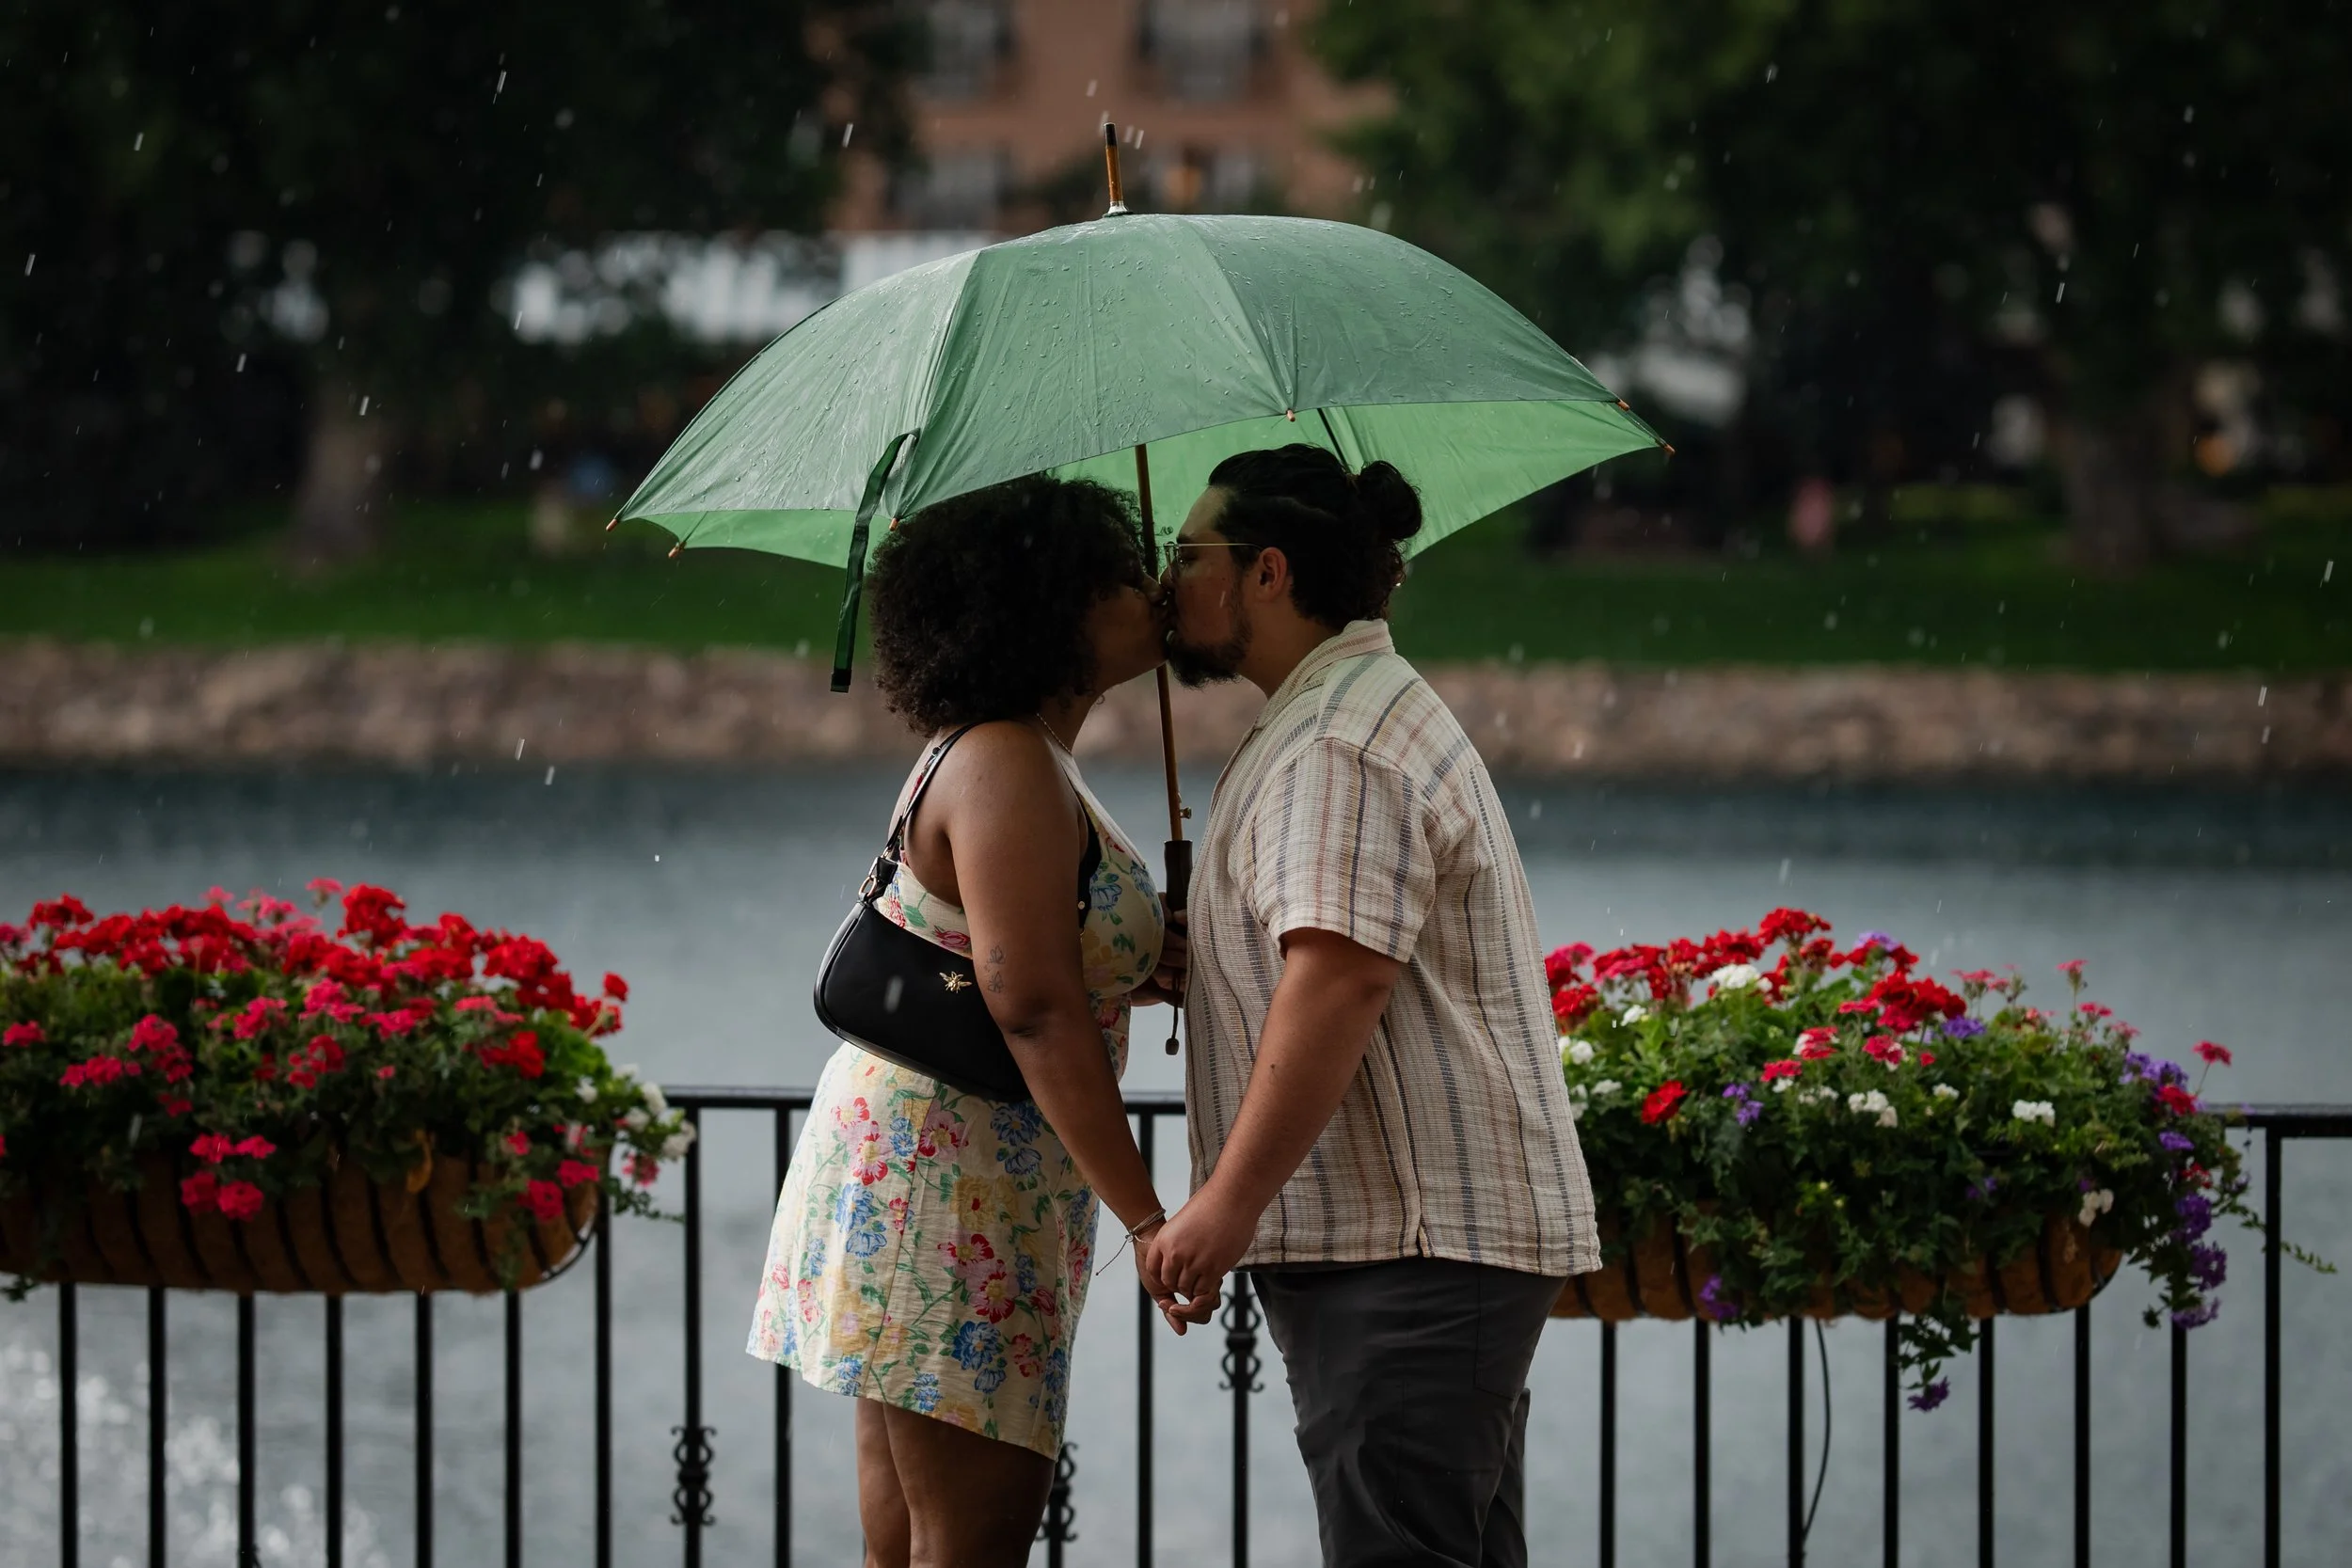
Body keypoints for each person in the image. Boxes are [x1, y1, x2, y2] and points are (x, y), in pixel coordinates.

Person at [1149, 444, 1600, 1568]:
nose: (1168, 581)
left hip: (1408, 1249)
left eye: (1187, 552)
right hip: (1421, 1245)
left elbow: (1342, 978)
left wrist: (1222, 1205)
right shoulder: (1338, 713)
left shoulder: (1334, 742)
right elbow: (1331, 951)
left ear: (1268, 572)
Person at [746, 473, 1207, 1568]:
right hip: (950, 1182)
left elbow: (1020, 959)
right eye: (1112, 575)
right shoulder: (1003, 757)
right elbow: (1033, 1005)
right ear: (1047, 605)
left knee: (914, 1544)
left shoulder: (1022, 753)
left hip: (947, 1169)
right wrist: (1149, 1217)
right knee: (972, 1539)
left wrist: (1132, 971)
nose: (1148, 586)